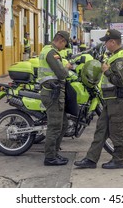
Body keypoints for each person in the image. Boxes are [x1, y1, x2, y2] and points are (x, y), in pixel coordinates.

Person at [74, 29, 123, 169]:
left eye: (106, 42)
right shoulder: (113, 55)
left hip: (118, 100)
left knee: (117, 131)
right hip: (110, 100)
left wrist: (106, 71)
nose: (105, 44)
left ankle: (119, 161)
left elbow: (120, 81)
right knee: (101, 130)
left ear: (112, 42)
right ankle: (91, 159)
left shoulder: (121, 58)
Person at [38, 31, 72, 166]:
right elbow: (62, 73)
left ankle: (55, 153)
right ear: (62, 41)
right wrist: (67, 67)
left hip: (53, 92)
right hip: (52, 94)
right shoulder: (51, 53)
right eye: (65, 44)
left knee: (63, 124)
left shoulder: (48, 50)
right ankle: (50, 157)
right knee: (55, 126)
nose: (64, 47)